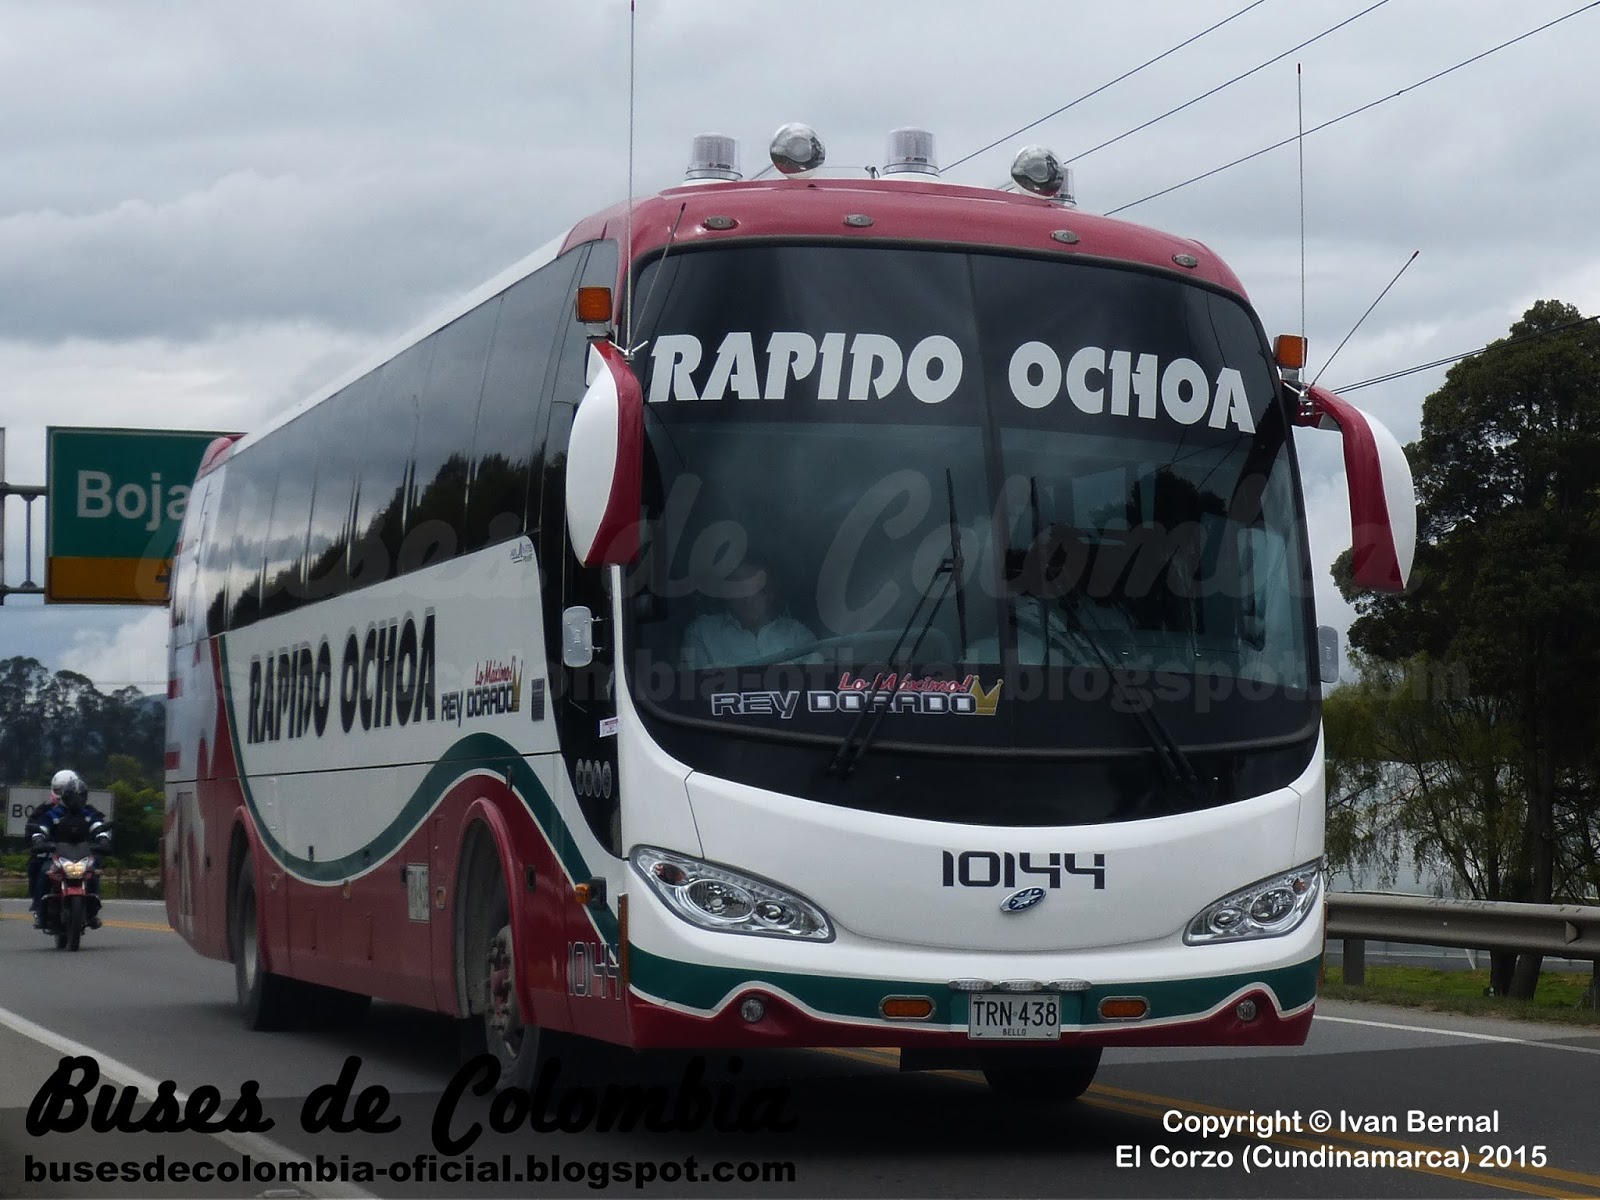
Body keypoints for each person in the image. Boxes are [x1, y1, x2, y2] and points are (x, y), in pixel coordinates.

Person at [681, 556, 822, 669]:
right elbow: (689, 689)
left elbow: (819, 682)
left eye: (756, 588)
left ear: (770, 593)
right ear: (726, 592)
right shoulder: (701, 633)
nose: (748, 599)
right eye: (739, 588)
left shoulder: (796, 635)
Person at [30, 769, 112, 930]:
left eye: (80, 796)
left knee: (93, 874)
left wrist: (103, 840)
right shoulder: (52, 814)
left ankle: (93, 910)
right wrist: (39, 840)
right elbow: (41, 829)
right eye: (72, 796)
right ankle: (40, 911)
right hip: (58, 856)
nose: (76, 800)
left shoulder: (89, 814)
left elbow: (98, 828)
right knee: (43, 873)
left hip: (82, 856)